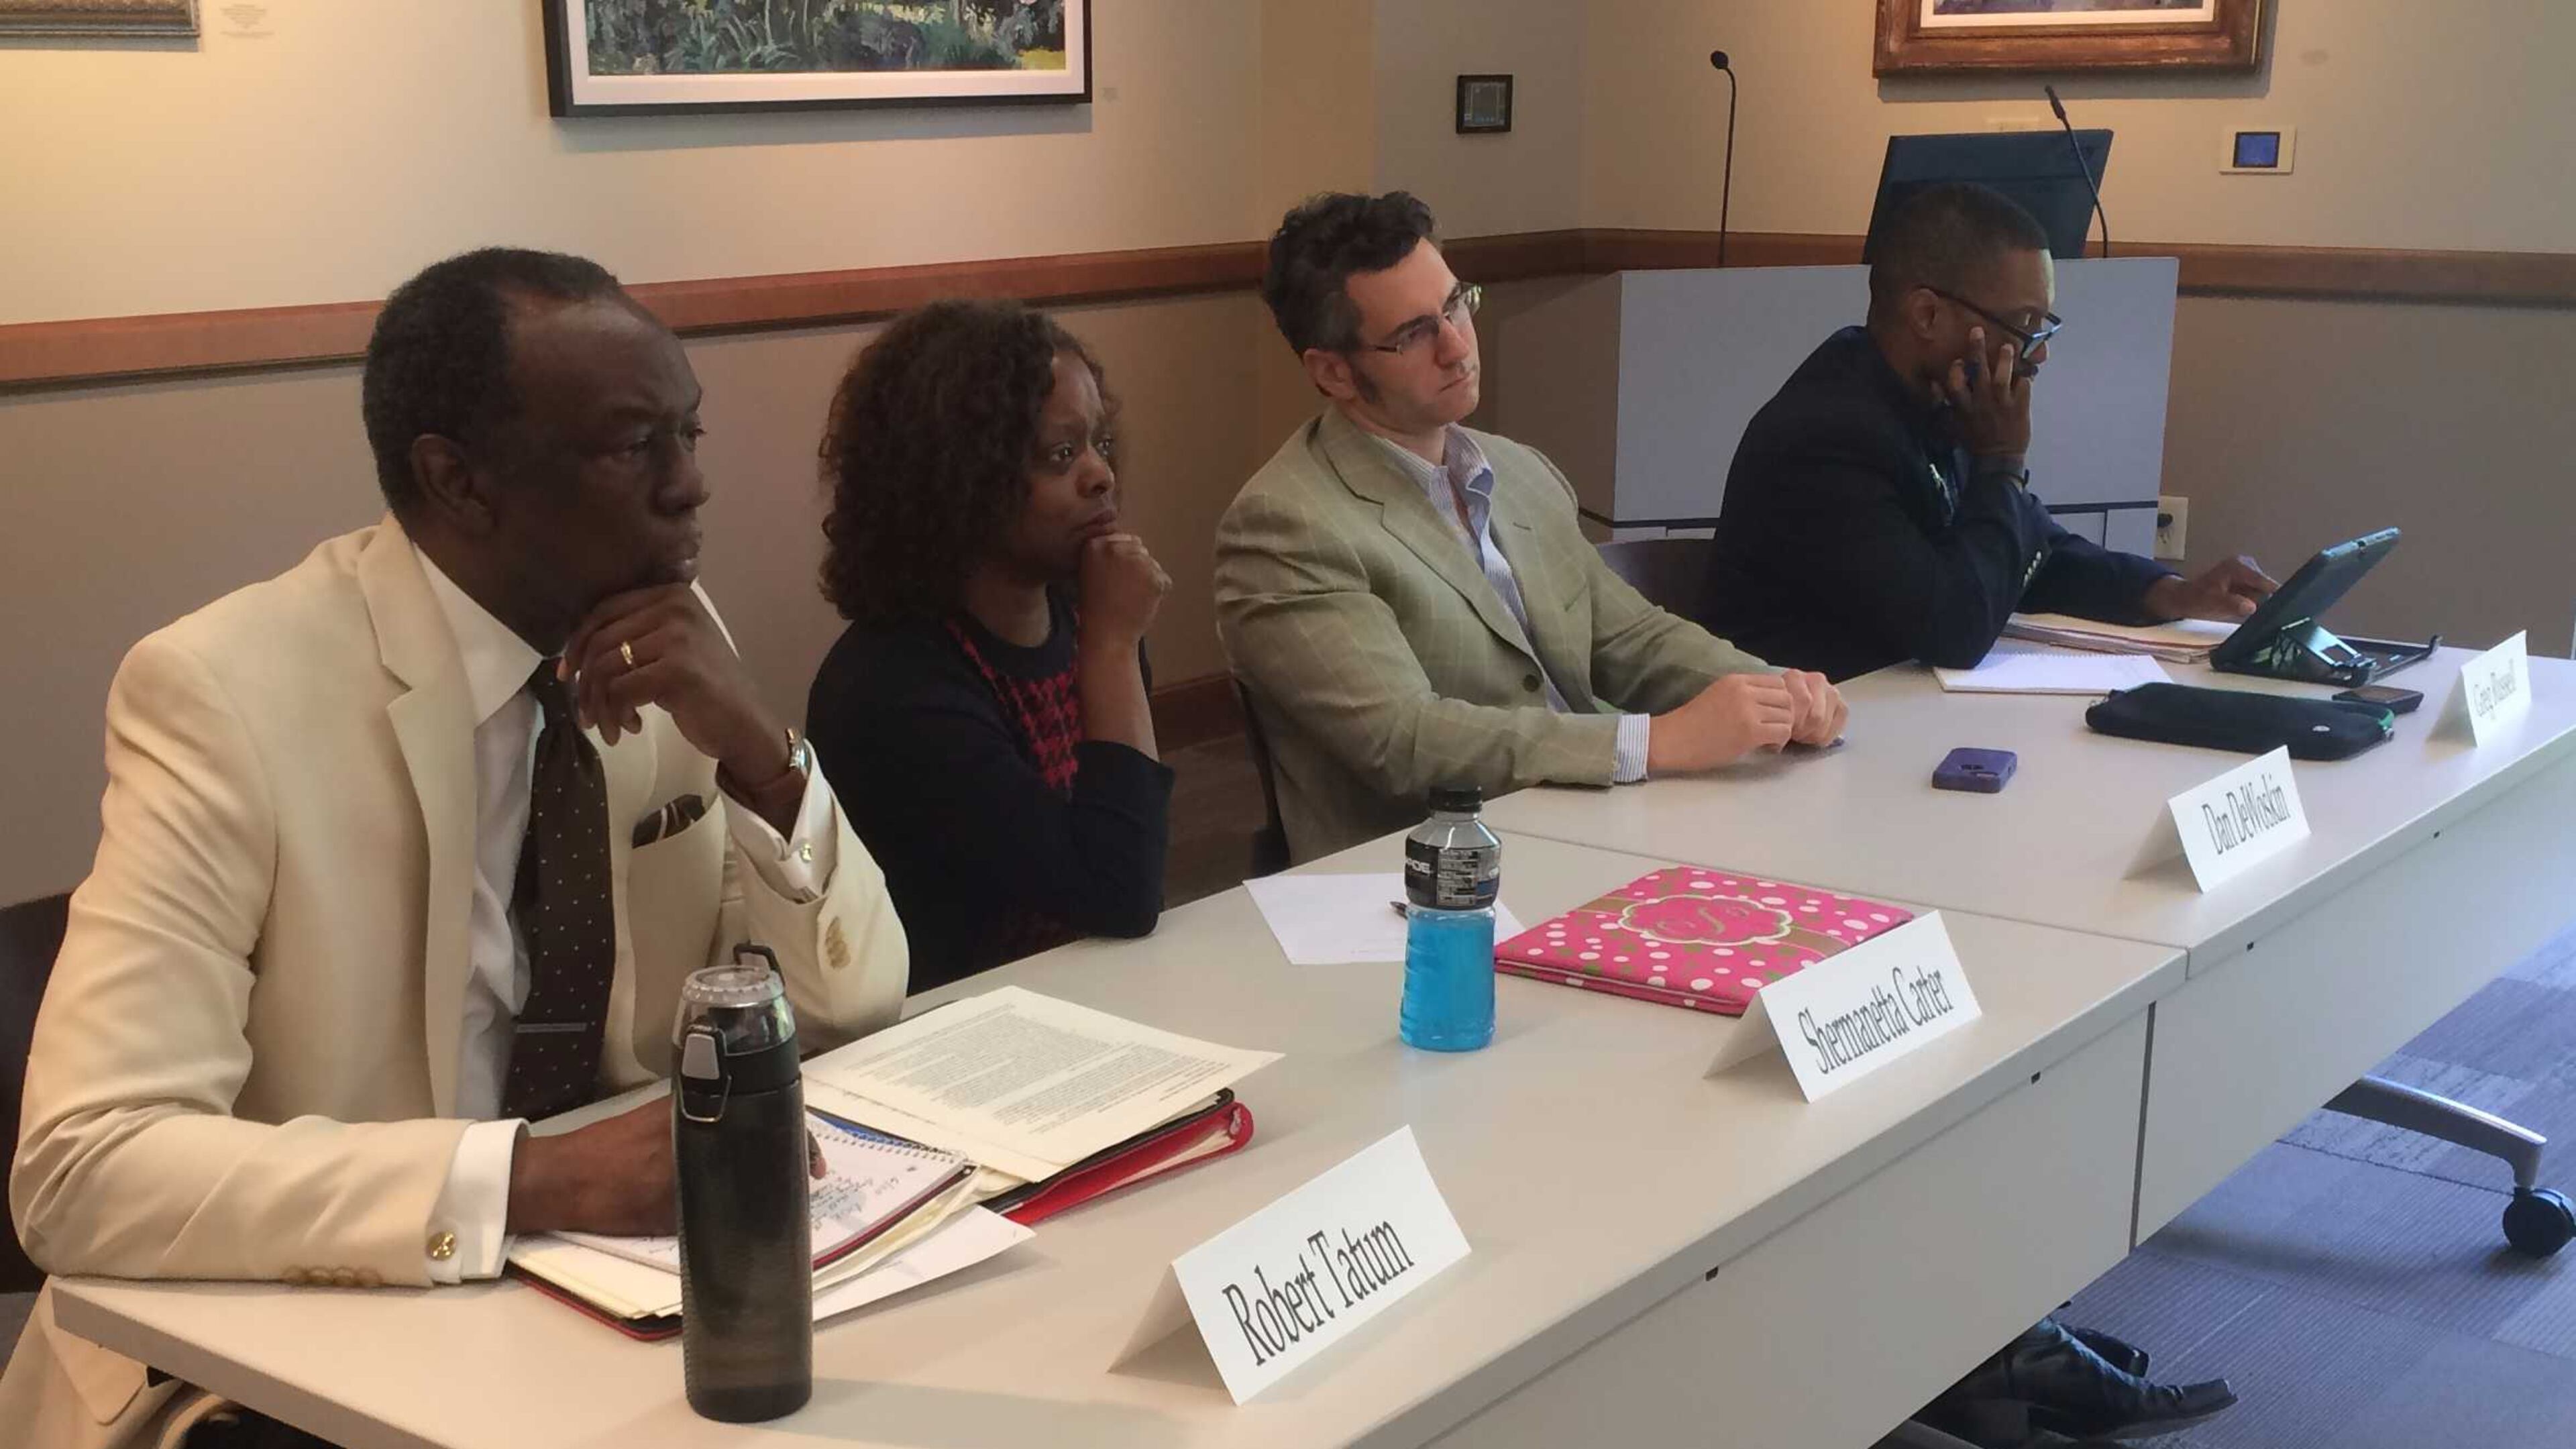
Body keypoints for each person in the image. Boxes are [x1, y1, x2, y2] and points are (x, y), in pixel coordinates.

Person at [1, 248, 908, 1449]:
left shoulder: (669, 647)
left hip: (603, 1320)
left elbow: (855, 1006)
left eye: (690, 434)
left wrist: (763, 762)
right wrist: (532, 1180)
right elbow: (83, 1167)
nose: (691, 487)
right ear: (459, 482)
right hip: (288, 1364)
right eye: (635, 445)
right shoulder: (224, 695)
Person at [1215, 191, 1845, 863]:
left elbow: (1628, 637)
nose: (1457, 347)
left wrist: (1778, 692)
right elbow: (1405, 740)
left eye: (1457, 304)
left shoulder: (1518, 469)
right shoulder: (1285, 526)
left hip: (1598, 827)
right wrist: (1655, 742)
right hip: (1430, 877)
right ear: (1334, 372)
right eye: (1415, 334)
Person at [1699, 180, 2277, 682]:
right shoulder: (1827, 438)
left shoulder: (1935, 399)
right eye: (2023, 325)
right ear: (1928, 315)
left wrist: (2171, 594)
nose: (2037, 355)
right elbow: (1954, 631)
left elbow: (2031, 548)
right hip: (1796, 756)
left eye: (2042, 326)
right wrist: (2002, 460)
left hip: (1890, 721)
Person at [805, 300, 1174, 991]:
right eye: (1061, 456)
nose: (1101, 475)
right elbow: (1119, 893)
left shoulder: (1084, 621)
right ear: (962, 479)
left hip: (1088, 994)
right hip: (950, 1032)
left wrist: (1110, 645)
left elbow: (1131, 868)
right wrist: (1115, 652)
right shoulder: (896, 688)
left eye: (1101, 444)